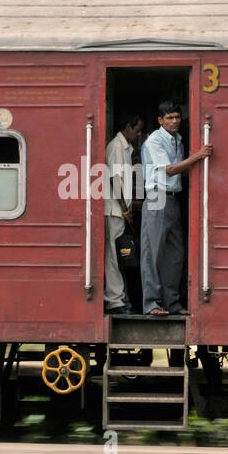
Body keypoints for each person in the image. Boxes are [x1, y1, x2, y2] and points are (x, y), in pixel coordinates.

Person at [139, 101, 211, 316]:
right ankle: (151, 304)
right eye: (169, 118)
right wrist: (199, 156)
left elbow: (181, 171)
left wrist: (194, 161)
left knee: (175, 254)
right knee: (152, 254)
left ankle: (171, 303)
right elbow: (170, 170)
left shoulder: (177, 140)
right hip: (156, 197)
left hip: (172, 199)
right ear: (160, 121)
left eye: (177, 117)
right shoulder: (155, 140)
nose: (174, 121)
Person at [104, 114, 144, 314]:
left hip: (119, 211)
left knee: (119, 255)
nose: (138, 134)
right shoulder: (117, 148)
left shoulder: (125, 148)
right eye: (137, 129)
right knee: (114, 255)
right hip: (115, 211)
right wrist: (125, 209)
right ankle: (114, 300)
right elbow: (114, 180)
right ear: (128, 126)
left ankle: (119, 297)